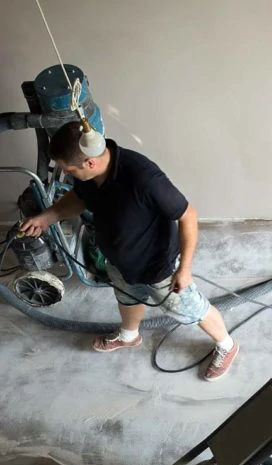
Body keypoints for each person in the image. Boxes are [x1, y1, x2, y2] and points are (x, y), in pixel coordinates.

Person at [20, 122, 238, 381]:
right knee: (127, 297)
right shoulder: (89, 176)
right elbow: (78, 198)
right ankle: (129, 335)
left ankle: (226, 345)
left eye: (69, 170)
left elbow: (188, 215)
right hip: (118, 258)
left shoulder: (143, 178)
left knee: (190, 308)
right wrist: (48, 216)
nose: (68, 174)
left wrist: (185, 269)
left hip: (157, 265)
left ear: (89, 163)